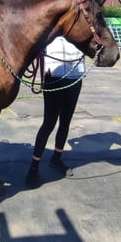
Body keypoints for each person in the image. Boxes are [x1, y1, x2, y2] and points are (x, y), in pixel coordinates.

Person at [26, 35, 85, 187]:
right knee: (49, 123)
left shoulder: (81, 26)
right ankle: (34, 166)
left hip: (75, 75)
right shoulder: (53, 27)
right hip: (54, 75)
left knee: (65, 122)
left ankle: (56, 159)